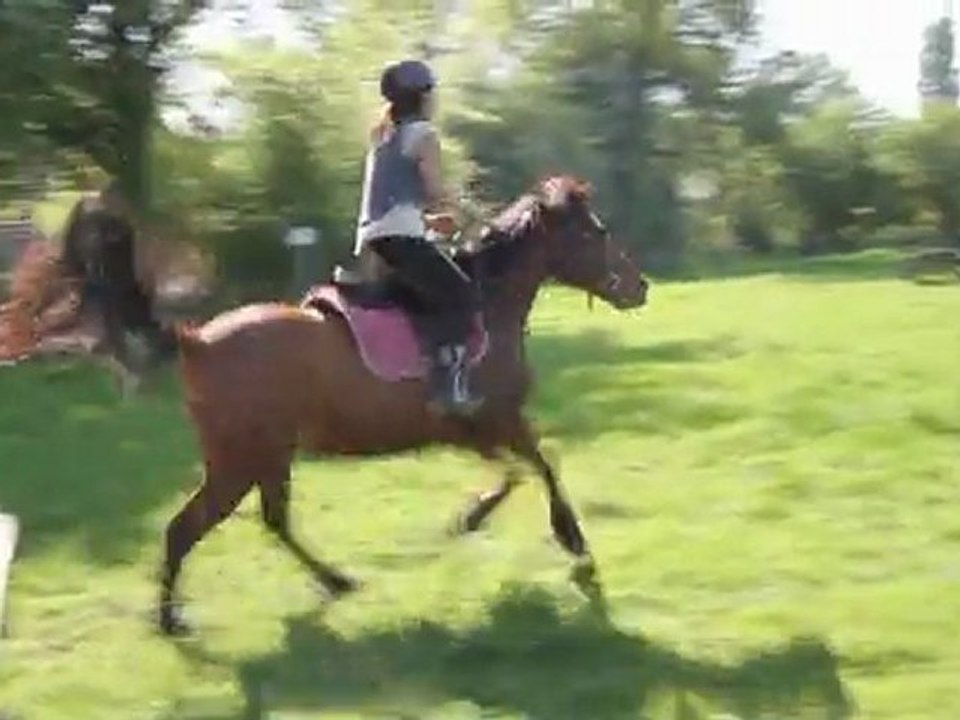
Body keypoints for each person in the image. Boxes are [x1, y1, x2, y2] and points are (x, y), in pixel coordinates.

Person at [354, 58, 482, 417]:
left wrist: (427, 223)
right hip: (400, 236)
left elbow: (392, 196)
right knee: (461, 294)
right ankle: (448, 388)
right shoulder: (424, 134)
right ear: (423, 97)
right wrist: (470, 213)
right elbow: (435, 189)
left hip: (375, 238)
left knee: (426, 294)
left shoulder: (382, 136)